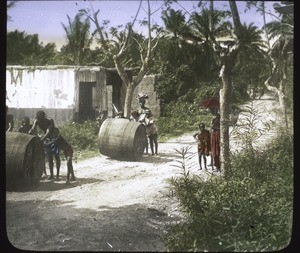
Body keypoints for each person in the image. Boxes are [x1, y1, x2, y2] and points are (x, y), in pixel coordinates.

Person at [28, 110, 61, 180]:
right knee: (49, 157)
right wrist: (31, 134)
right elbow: (33, 129)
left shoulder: (50, 120)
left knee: (56, 156)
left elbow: (48, 132)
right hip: (47, 138)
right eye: (38, 118)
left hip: (54, 136)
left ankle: (57, 175)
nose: (40, 119)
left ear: (44, 117)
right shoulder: (36, 120)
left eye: (41, 118)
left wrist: (41, 140)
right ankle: (51, 175)